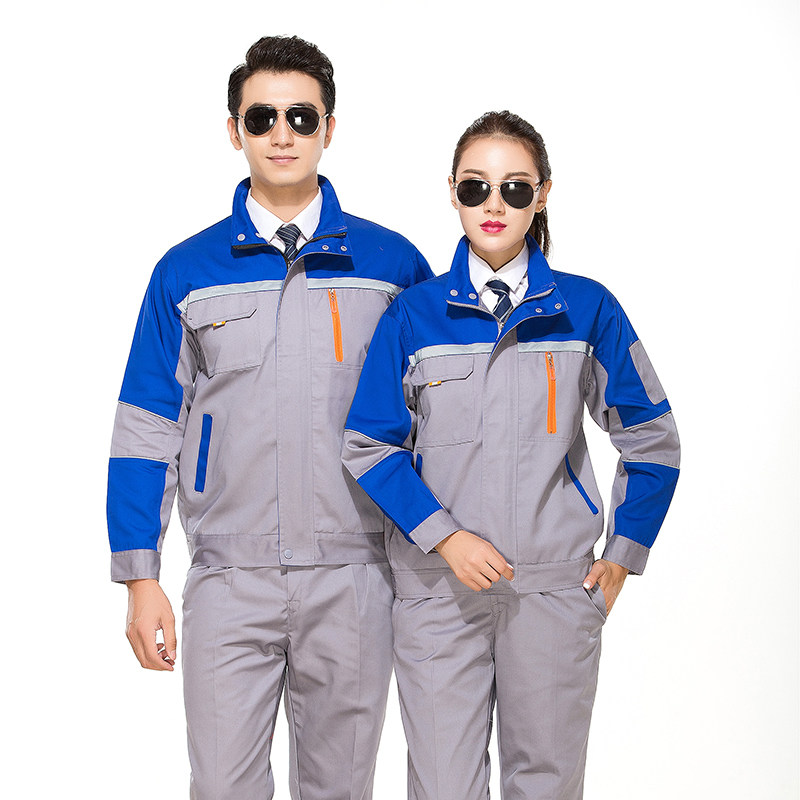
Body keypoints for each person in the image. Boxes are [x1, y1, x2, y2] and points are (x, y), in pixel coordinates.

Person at [107, 35, 432, 800]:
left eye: (300, 116)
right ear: (235, 130)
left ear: (328, 128)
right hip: (229, 577)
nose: (282, 134)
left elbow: (440, 423)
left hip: (357, 575)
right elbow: (146, 428)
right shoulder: (185, 272)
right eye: (261, 117)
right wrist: (140, 576)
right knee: (222, 787)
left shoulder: (392, 266)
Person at [342, 110, 680, 799]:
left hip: (552, 593)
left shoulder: (586, 308)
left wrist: (623, 556)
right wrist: (446, 537)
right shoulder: (413, 314)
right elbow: (369, 444)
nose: (493, 204)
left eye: (515, 188)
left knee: (547, 785)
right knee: (443, 786)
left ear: (542, 195)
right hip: (438, 592)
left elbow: (653, 438)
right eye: (475, 187)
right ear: (452, 192)